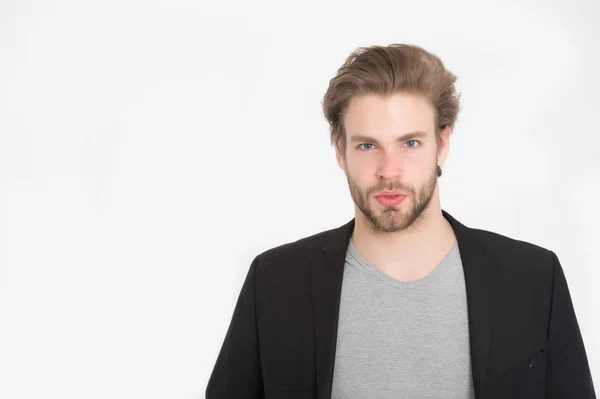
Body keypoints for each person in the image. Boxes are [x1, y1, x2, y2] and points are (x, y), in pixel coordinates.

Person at [205, 44, 596, 398]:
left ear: (442, 144)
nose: (389, 171)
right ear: (340, 150)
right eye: (368, 145)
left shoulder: (532, 278)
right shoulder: (274, 281)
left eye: (410, 143)